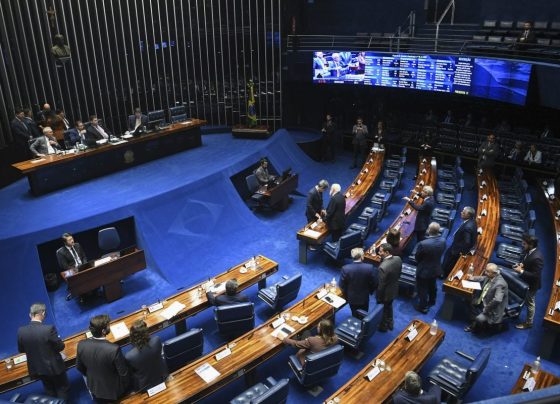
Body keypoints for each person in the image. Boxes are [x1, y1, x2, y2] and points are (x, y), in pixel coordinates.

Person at [17, 303, 69, 399]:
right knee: (62, 388)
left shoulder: (21, 331)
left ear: (30, 314)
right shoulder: (48, 329)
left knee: (49, 389)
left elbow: (21, 350)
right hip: (54, 367)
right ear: (43, 313)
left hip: (37, 368)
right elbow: (60, 347)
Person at [76, 314, 130, 402]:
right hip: (113, 391)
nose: (110, 326)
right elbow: (123, 374)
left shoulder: (81, 344)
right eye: (108, 325)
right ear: (103, 331)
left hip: (94, 388)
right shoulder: (114, 349)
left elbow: (79, 367)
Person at [125, 320, 168, 392]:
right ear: (146, 332)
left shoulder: (129, 356)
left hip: (144, 387)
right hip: (162, 378)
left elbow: (131, 373)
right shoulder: (156, 340)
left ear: (132, 336)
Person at [464, 263, 508, 333]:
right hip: (485, 300)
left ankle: (474, 326)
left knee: (479, 318)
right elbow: (483, 278)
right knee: (468, 300)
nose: (485, 272)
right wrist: (472, 278)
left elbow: (497, 300)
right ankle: (474, 321)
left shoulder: (500, 284)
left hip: (492, 309)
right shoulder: (491, 276)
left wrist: (486, 309)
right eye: (485, 270)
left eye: (487, 271)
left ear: (494, 273)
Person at [513, 234, 544, 330]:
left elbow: (536, 275)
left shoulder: (537, 257)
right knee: (524, 298)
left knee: (530, 303)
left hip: (532, 284)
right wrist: (521, 264)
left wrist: (521, 271)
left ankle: (529, 323)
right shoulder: (530, 250)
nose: (522, 245)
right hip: (525, 280)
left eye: (524, 244)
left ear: (531, 245)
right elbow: (527, 260)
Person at [414, 223, 446, 313]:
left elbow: (417, 257)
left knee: (422, 289)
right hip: (436, 268)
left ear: (429, 230)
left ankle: (423, 307)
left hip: (424, 270)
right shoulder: (443, 241)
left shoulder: (423, 244)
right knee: (432, 285)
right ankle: (432, 301)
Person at [339, 248, 378, 317]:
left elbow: (342, 285)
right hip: (364, 297)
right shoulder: (370, 268)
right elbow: (375, 283)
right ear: (362, 256)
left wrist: (347, 295)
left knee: (354, 314)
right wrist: (370, 291)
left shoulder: (345, 268)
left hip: (352, 298)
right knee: (364, 314)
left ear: (352, 257)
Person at [442, 206, 477, 277]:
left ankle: (443, 274)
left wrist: (460, 251)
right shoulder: (472, 221)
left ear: (468, 215)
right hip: (457, 245)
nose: (461, 213)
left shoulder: (467, 227)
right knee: (447, 258)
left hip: (456, 248)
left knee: (449, 260)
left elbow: (467, 242)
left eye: (463, 213)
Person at [376, 243, 402, 332]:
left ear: (387, 252)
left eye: (380, 251)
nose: (379, 253)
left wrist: (379, 298)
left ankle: (383, 327)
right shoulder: (398, 258)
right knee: (389, 306)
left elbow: (381, 286)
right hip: (394, 288)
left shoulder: (383, 267)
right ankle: (390, 322)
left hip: (385, 293)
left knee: (383, 309)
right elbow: (399, 274)